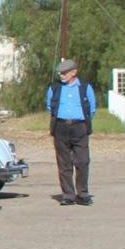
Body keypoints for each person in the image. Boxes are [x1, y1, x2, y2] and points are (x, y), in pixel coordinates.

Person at [46, 59, 97, 206]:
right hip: (60, 127)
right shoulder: (54, 88)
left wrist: (81, 121)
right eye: (60, 73)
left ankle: (82, 194)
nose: (61, 75)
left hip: (79, 127)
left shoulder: (85, 88)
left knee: (82, 161)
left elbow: (91, 108)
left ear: (74, 72)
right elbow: (50, 106)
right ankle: (68, 195)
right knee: (64, 163)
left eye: (64, 72)